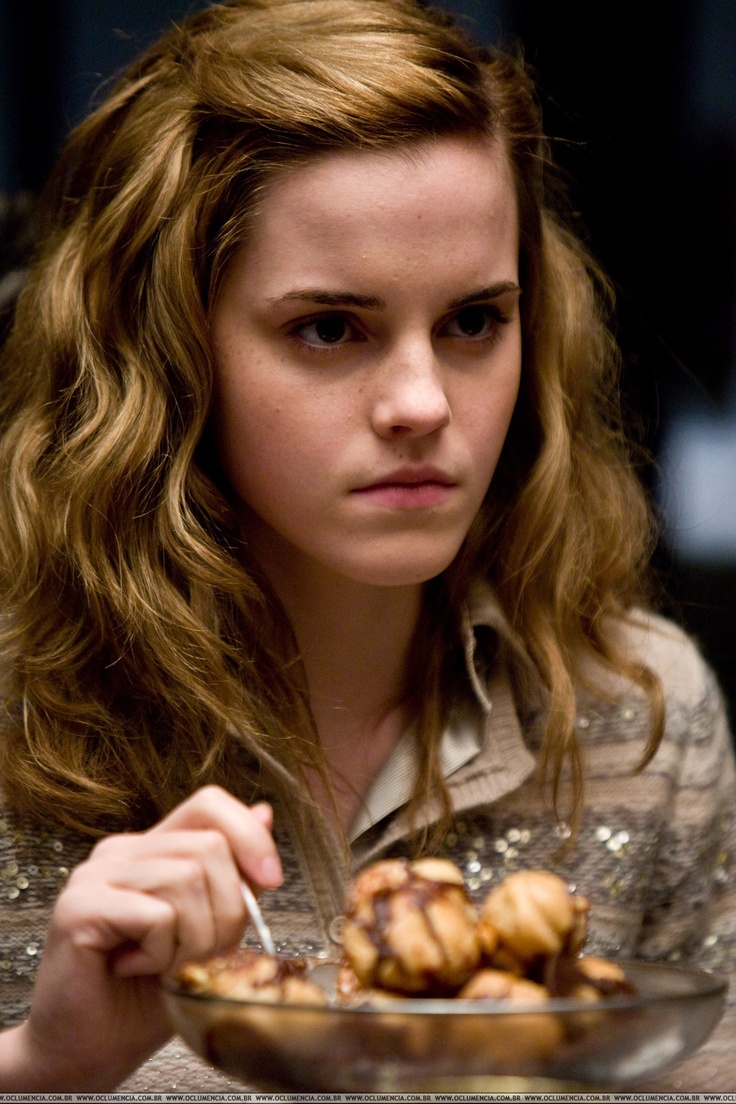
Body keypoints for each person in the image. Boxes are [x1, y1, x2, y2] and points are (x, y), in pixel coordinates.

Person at [0, 0, 732, 1092]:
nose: (421, 403)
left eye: (473, 321)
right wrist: (38, 1063)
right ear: (167, 349)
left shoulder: (641, 716)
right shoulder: (16, 712)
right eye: (331, 328)